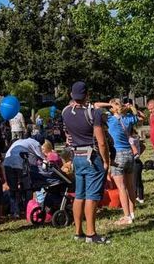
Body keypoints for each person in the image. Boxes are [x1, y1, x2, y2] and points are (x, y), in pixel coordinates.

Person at [62, 81, 110, 244]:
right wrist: (106, 161)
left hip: (77, 156)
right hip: (92, 156)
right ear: (87, 95)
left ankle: (78, 232)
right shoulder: (93, 113)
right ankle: (91, 233)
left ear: (71, 95)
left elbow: (68, 136)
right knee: (92, 196)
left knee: (79, 195)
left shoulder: (66, 112)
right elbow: (101, 142)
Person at [94, 98, 138, 225]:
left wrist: (109, 104)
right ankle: (132, 213)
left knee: (121, 187)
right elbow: (139, 116)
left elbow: (96, 105)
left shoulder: (110, 119)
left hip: (117, 154)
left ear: (112, 108)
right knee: (130, 186)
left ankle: (126, 216)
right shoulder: (127, 118)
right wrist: (129, 107)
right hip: (129, 154)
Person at [2, 136, 45, 218]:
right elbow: (42, 157)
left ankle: (15, 211)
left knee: (13, 189)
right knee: (27, 187)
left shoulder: (21, 141)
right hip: (20, 164)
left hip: (8, 163)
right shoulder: (36, 143)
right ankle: (27, 209)